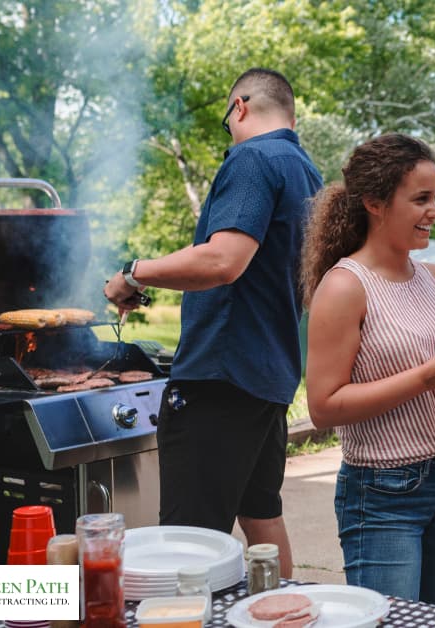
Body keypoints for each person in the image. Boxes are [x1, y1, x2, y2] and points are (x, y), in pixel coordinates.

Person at [104, 68, 322, 579]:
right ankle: (285, 611)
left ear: (240, 108)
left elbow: (222, 261)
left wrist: (135, 273)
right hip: (267, 377)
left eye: (228, 122)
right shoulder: (305, 172)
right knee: (261, 515)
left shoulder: (253, 159)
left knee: (188, 541)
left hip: (220, 378)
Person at [302, 133, 435, 605]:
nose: (434, 210)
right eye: (421, 199)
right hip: (383, 493)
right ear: (374, 202)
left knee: (433, 619)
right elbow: (323, 406)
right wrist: (424, 378)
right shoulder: (345, 287)